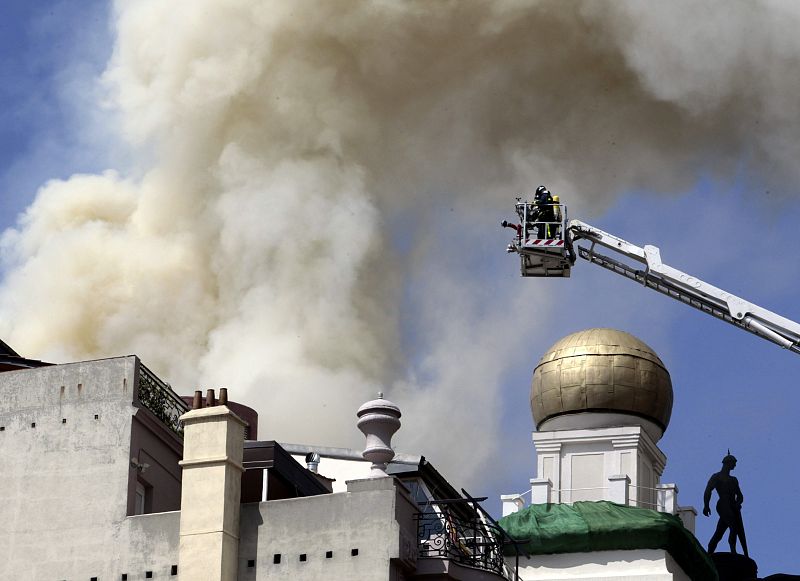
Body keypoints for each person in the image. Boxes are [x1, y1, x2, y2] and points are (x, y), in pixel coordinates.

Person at [703, 452, 748, 557]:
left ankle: (710, 549)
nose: (735, 466)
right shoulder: (717, 476)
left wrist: (737, 503)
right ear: (728, 463)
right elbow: (708, 491)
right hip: (723, 504)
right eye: (734, 463)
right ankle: (733, 550)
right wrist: (706, 505)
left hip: (732, 506)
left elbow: (740, 495)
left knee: (720, 531)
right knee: (734, 526)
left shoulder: (734, 480)